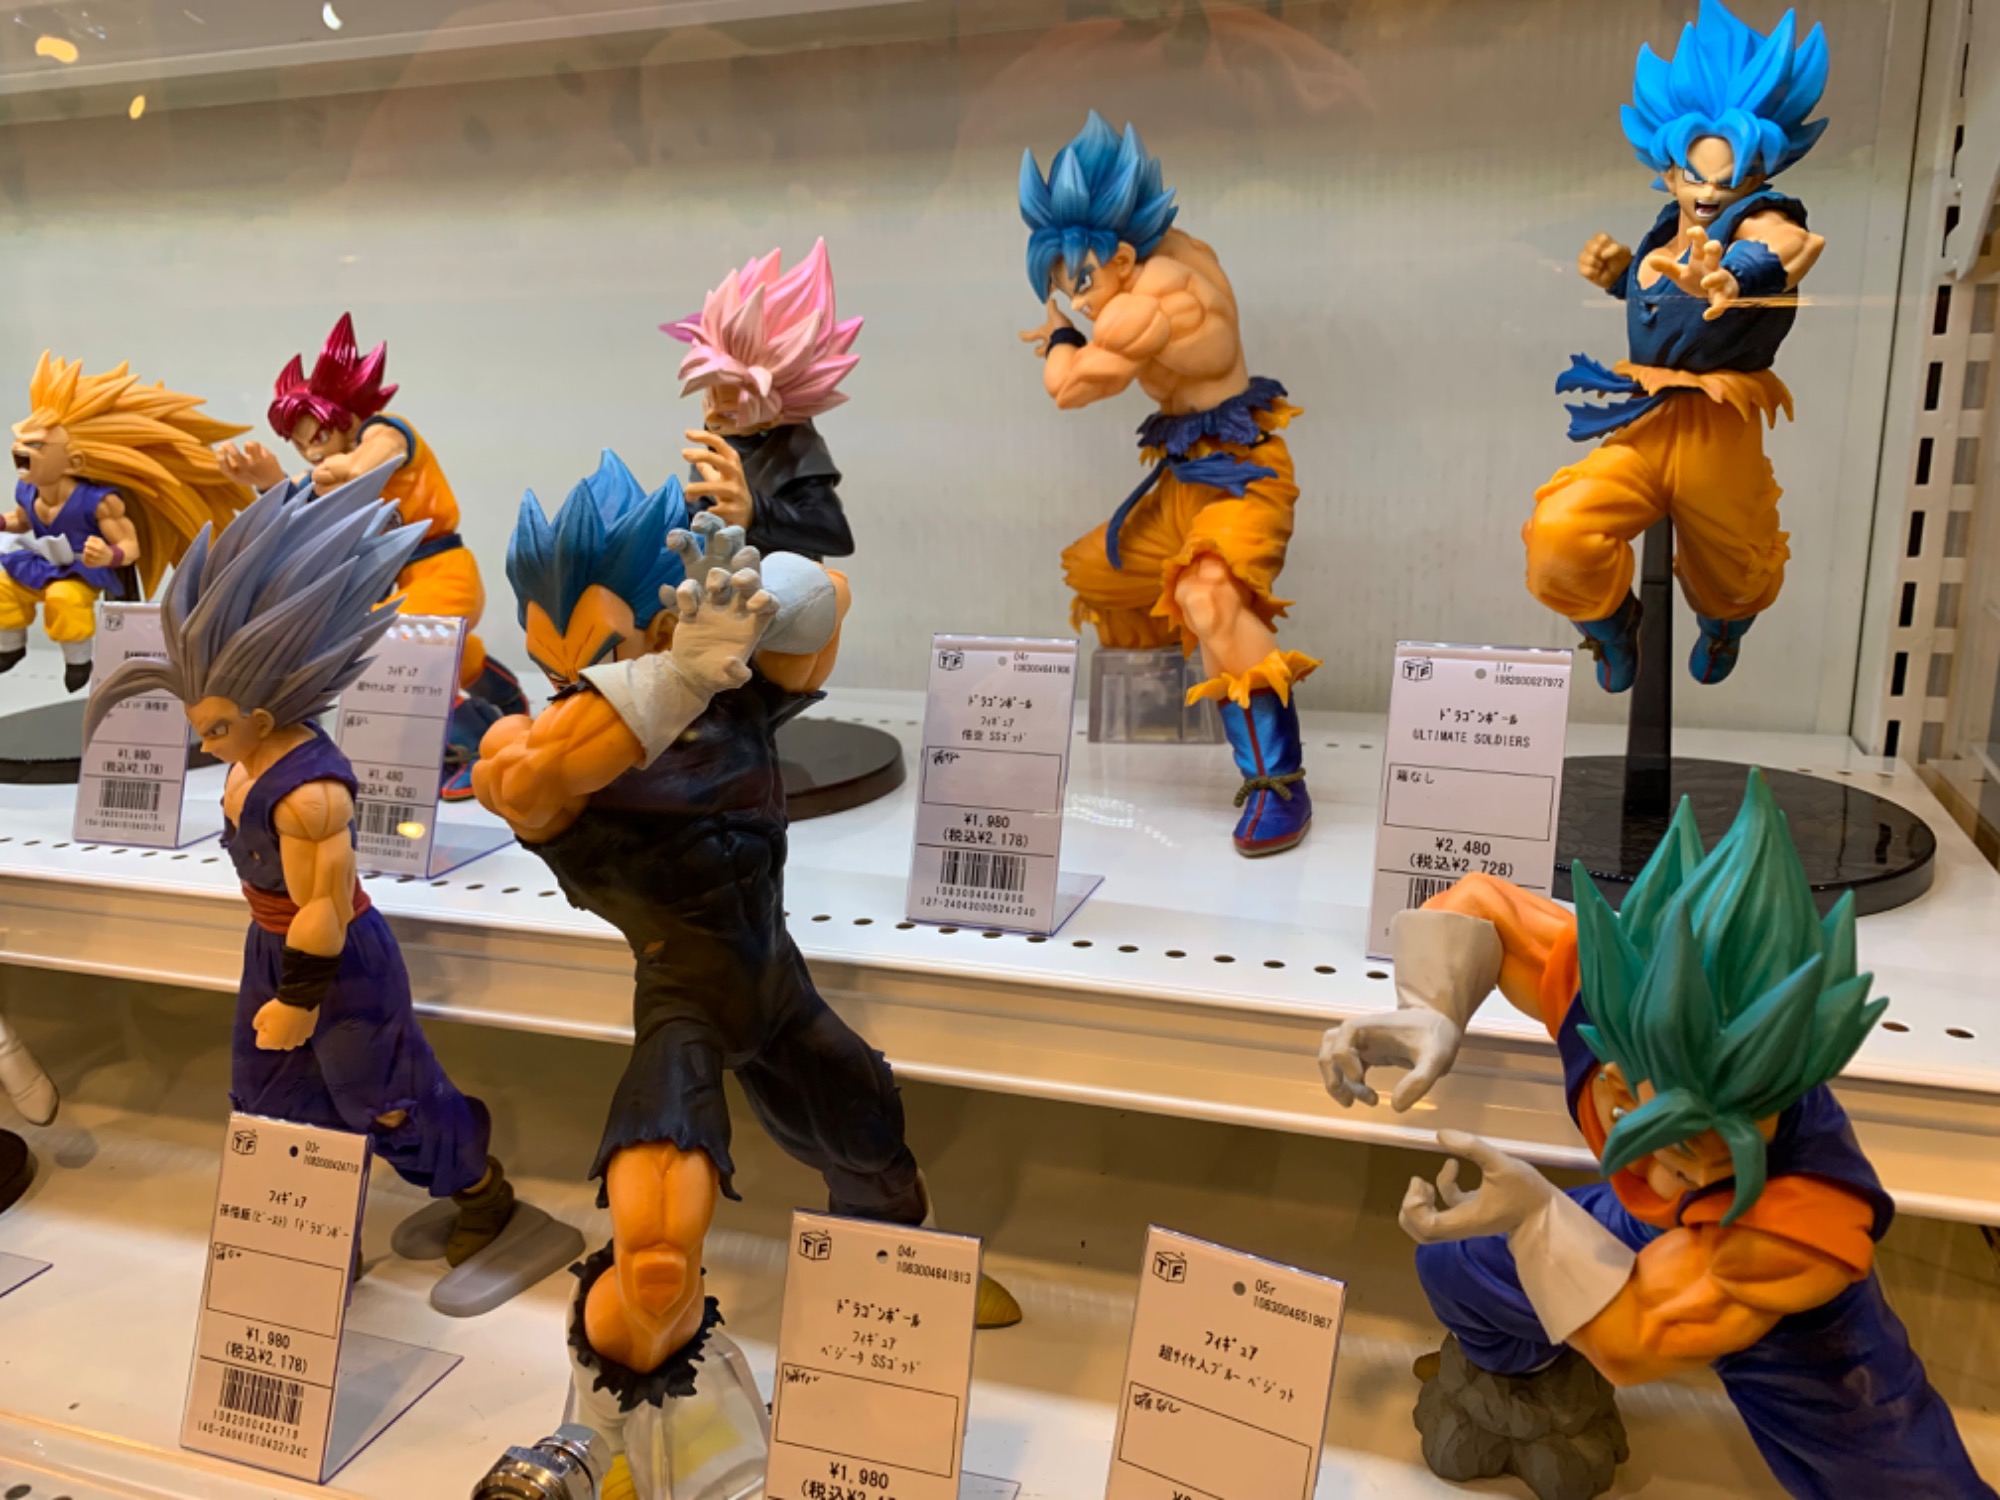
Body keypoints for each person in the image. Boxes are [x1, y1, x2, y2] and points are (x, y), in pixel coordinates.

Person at [473, 460, 1019, 1477]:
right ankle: (612, 1423)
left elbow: (825, 602)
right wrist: (672, 675)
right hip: (681, 1001)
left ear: (662, 614)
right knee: (653, 1254)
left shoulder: (731, 699)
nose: (572, 679)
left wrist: (755, 551)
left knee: (869, 1139)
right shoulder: (538, 741)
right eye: (556, 661)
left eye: (604, 649)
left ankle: (901, 1286)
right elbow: (535, 774)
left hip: (774, 981)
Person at [1318, 770, 1996, 1500]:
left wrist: (1538, 1221)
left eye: (1717, 1146)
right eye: (1673, 1141)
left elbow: (1640, 1337)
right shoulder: (1618, 997)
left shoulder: (1801, 1224)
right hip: (1653, 1227)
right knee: (1457, 1264)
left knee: (1899, 1478)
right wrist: (1430, 1008)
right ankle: (1526, 1379)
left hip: (1768, 1294)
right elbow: (1483, 907)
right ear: (1620, 1071)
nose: (1686, 1167)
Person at [84, 472, 518, 1268]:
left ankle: (481, 1191)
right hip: (271, 947)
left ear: (258, 714)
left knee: (383, 1100)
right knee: (271, 1099)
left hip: (339, 962)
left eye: (217, 727)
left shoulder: (311, 794)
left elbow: (322, 907)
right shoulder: (244, 760)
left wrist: (299, 999)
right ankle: (309, 1249)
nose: (206, 743)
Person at [1019, 111, 1316, 855]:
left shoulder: (1149, 299)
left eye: (1081, 281)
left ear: (1121, 254)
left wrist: (1061, 338)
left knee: (1207, 595)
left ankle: (1277, 783)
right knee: (1097, 571)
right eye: (1064, 288)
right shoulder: (1170, 253)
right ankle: (1170, 703)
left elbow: (1068, 389)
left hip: (1240, 476)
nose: (1081, 301)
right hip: (1182, 475)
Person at [1531, 1, 1829, 692]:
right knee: (1560, 534)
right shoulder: (1669, 227)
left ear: (1759, 175)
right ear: (1668, 169)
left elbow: (1790, 246)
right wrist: (1619, 276)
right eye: (1695, 175)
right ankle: (1611, 626)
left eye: (1729, 179)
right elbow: (1667, 308)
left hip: (1719, 427)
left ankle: (1725, 624)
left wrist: (1739, 274)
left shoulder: (1761, 218)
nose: (1709, 192)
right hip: (1645, 419)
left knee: (1737, 569)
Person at [216, 314, 529, 795]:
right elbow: (303, 500)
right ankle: (504, 701)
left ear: (345, 420)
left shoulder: (388, 431)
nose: (311, 453)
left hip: (441, 568)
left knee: (403, 649)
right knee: (445, 655)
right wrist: (267, 481)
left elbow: (363, 466)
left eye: (317, 438)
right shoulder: (330, 466)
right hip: (396, 575)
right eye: (298, 446)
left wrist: (331, 474)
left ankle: (478, 744)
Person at [3, 353, 252, 692]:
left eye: (35, 445)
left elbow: (129, 546)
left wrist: (108, 555)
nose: (20, 449)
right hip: (39, 564)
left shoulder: (99, 502)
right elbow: (21, 520)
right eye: (20, 441)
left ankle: (78, 662)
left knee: (64, 600)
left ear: (74, 461)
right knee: (3, 588)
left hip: (81, 570)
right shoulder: (28, 490)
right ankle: (10, 646)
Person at [664, 238, 861, 563]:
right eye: (709, 397)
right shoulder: (718, 440)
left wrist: (755, 512)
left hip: (786, 581)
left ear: (771, 414)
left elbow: (833, 531)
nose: (712, 417)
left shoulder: (795, 447)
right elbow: (703, 509)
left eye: (730, 413)